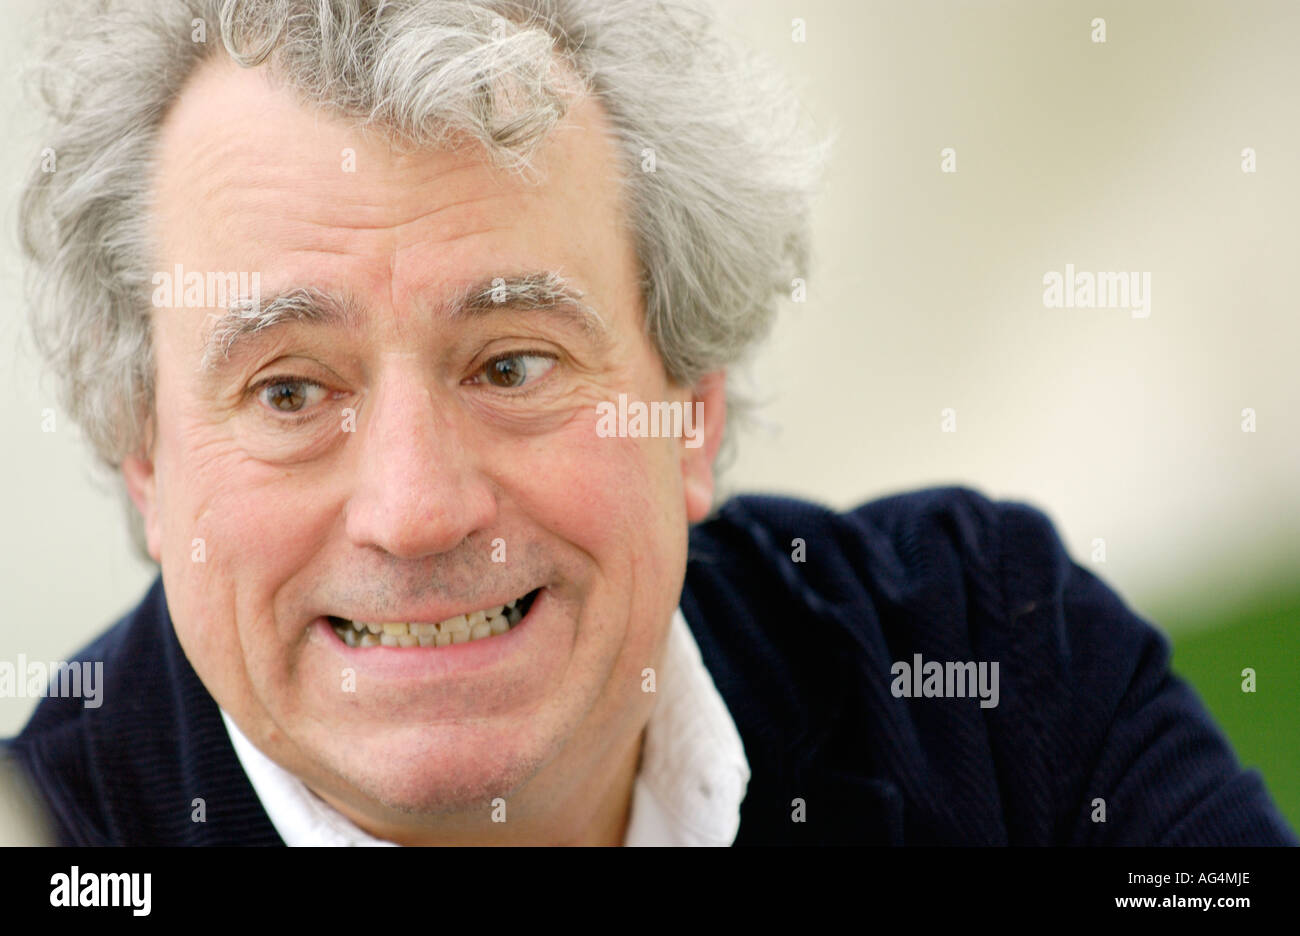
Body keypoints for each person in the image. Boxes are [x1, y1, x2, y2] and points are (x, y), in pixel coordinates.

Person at [6, 0, 1294, 846]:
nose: (414, 508)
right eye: (290, 392)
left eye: (512, 365)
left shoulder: (995, 660)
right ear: (149, 466)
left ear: (691, 410)